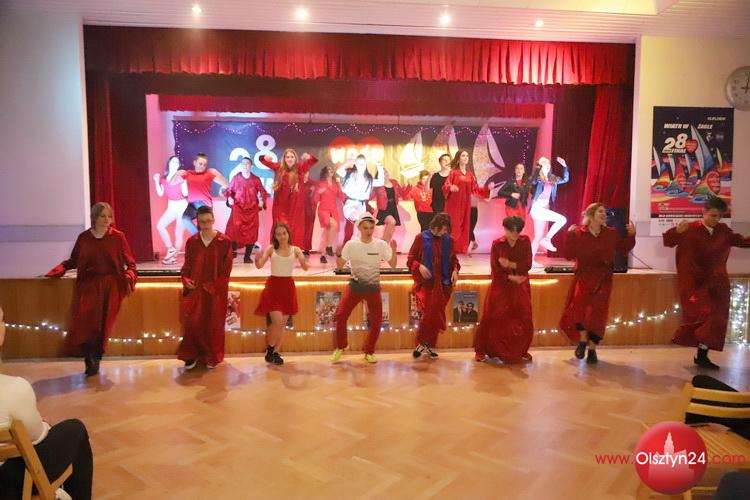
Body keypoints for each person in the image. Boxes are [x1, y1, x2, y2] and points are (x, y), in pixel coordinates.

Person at [0, 308, 94, 500]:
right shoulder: (15, 388)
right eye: (1, 320)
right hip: (7, 483)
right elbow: (36, 436)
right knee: (75, 429)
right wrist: (44, 424)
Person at [45, 202, 136, 376]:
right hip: (89, 285)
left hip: (111, 286)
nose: (106, 220)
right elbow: (74, 260)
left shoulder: (118, 237)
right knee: (86, 322)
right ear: (94, 217)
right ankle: (88, 357)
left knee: (104, 324)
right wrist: (57, 270)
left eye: (109, 216)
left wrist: (129, 276)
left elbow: (131, 263)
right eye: (103, 216)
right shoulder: (84, 238)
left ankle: (96, 358)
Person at [663, 197, 750, 369]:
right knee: (704, 314)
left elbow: (742, 241)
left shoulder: (723, 231)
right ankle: (683, 338)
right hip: (694, 284)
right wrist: (677, 231)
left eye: (719, 216)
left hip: (718, 283)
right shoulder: (689, 229)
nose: (716, 219)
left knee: (716, 320)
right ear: (704, 212)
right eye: (713, 215)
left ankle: (702, 356)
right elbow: (668, 241)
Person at [559, 203, 636, 364]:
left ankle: (592, 349)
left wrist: (631, 235)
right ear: (591, 214)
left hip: (603, 279)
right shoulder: (579, 233)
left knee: (598, 315)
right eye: (600, 211)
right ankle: (582, 340)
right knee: (578, 310)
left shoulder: (611, 233)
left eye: (604, 212)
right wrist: (569, 236)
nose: (604, 214)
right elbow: (568, 254)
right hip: (584, 277)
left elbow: (624, 248)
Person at [332, 212, 397, 364]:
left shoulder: (380, 245)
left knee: (377, 321)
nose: (369, 231)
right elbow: (340, 265)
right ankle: (341, 346)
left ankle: (369, 351)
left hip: (373, 288)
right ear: (359, 228)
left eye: (371, 228)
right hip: (355, 287)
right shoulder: (351, 244)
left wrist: (393, 250)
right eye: (365, 228)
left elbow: (393, 264)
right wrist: (338, 254)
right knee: (341, 316)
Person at [177, 206, 233, 370]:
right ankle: (191, 354)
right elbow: (187, 266)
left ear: (213, 220)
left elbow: (226, 270)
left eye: (208, 221)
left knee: (213, 324)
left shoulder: (224, 241)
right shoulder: (192, 242)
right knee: (193, 322)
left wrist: (214, 286)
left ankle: (211, 355)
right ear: (198, 222)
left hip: (216, 292)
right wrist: (185, 279)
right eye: (202, 222)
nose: (206, 225)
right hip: (196, 290)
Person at [473, 216, 533, 363]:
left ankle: (520, 349)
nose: (514, 235)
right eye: (511, 232)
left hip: (521, 285)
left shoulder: (525, 241)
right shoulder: (497, 244)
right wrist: (511, 277)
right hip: (501, 285)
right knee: (493, 316)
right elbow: (495, 270)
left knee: (522, 316)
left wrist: (511, 265)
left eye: (517, 232)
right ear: (505, 229)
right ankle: (483, 350)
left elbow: (527, 264)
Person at [254, 222, 308, 365]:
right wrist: (256, 259)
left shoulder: (296, 250)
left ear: (288, 234)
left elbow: (305, 267)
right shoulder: (271, 248)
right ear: (275, 236)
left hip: (288, 288)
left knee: (281, 325)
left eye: (284, 233)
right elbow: (259, 265)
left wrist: (303, 261)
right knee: (277, 322)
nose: (282, 236)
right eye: (279, 234)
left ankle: (275, 352)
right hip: (273, 287)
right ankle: (271, 349)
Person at [407, 213, 459, 359]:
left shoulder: (448, 240)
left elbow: (454, 260)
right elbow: (411, 259)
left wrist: (455, 270)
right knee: (429, 313)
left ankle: (427, 345)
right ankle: (422, 342)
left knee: (436, 314)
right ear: (435, 226)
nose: (444, 232)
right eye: (442, 229)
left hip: (444, 284)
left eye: (446, 230)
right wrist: (419, 267)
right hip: (428, 283)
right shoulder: (421, 238)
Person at [259, 149, 318, 245]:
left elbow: (313, 161)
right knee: (280, 227)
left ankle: (291, 249)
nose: (290, 159)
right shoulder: (279, 167)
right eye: (287, 157)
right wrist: (264, 157)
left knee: (294, 228)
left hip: (295, 206)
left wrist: (308, 157)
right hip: (280, 206)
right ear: (284, 158)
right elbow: (262, 160)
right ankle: (278, 248)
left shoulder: (300, 167)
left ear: (295, 158)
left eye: (292, 157)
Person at [443, 149, 494, 254]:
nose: (466, 157)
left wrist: (487, 189)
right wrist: (450, 187)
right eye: (463, 155)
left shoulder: (470, 175)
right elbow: (445, 186)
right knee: (454, 226)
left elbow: (475, 189)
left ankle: (461, 248)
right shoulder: (453, 173)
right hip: (455, 204)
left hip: (466, 204)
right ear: (458, 159)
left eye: (467, 155)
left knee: (465, 226)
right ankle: (450, 249)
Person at [173, 152, 229, 236]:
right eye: (200, 164)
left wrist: (218, 174)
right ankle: (200, 238)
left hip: (205, 205)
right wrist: (177, 173)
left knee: (202, 227)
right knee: (185, 218)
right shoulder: (188, 173)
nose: (202, 166)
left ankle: (201, 239)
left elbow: (227, 184)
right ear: (194, 163)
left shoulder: (209, 174)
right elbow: (172, 183)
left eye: (204, 165)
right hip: (192, 205)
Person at [225, 157, 268, 264]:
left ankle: (247, 256)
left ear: (251, 166)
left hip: (251, 210)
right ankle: (233, 251)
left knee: (251, 233)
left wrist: (262, 200)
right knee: (234, 230)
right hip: (238, 209)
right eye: (243, 163)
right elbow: (229, 191)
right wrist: (229, 198)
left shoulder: (256, 179)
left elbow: (263, 192)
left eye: (247, 163)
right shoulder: (236, 178)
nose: (245, 165)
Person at [336, 154, 384, 244]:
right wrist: (350, 161)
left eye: (363, 163)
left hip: (361, 206)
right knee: (359, 222)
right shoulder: (350, 175)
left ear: (366, 164)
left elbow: (380, 182)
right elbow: (339, 171)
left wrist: (379, 167)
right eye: (358, 163)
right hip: (350, 205)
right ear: (355, 163)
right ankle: (354, 246)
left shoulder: (369, 178)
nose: (361, 165)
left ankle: (355, 246)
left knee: (358, 230)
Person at [530, 156, 569, 265]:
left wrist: (564, 166)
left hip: (543, 209)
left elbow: (565, 179)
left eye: (548, 163)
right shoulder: (538, 179)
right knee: (562, 219)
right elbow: (532, 181)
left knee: (538, 236)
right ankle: (547, 239)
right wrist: (538, 168)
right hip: (537, 209)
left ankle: (530, 261)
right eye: (544, 163)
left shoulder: (552, 179)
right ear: (540, 166)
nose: (547, 165)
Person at [153, 155, 188, 264]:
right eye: (173, 162)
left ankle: (173, 258)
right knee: (160, 226)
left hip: (182, 206)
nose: (175, 164)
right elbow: (160, 193)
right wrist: (156, 181)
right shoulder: (164, 179)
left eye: (177, 162)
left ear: (178, 165)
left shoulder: (181, 179)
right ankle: (170, 249)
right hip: (172, 206)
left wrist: (185, 182)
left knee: (178, 233)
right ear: (169, 163)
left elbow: (185, 193)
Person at [371, 167, 411, 245]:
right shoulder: (378, 185)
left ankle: (386, 247)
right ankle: (382, 244)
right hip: (383, 209)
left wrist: (409, 185)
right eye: (383, 174)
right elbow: (370, 196)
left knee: (392, 230)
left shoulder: (394, 182)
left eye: (386, 172)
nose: (385, 174)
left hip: (393, 208)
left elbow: (403, 194)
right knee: (392, 222)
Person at [313, 166, 343, 264]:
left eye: (332, 169)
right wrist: (318, 192)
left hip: (333, 210)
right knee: (333, 225)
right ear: (325, 172)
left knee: (327, 232)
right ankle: (329, 247)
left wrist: (340, 187)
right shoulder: (321, 184)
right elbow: (315, 199)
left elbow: (341, 197)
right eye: (329, 169)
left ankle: (323, 255)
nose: (331, 171)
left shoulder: (336, 184)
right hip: (323, 210)